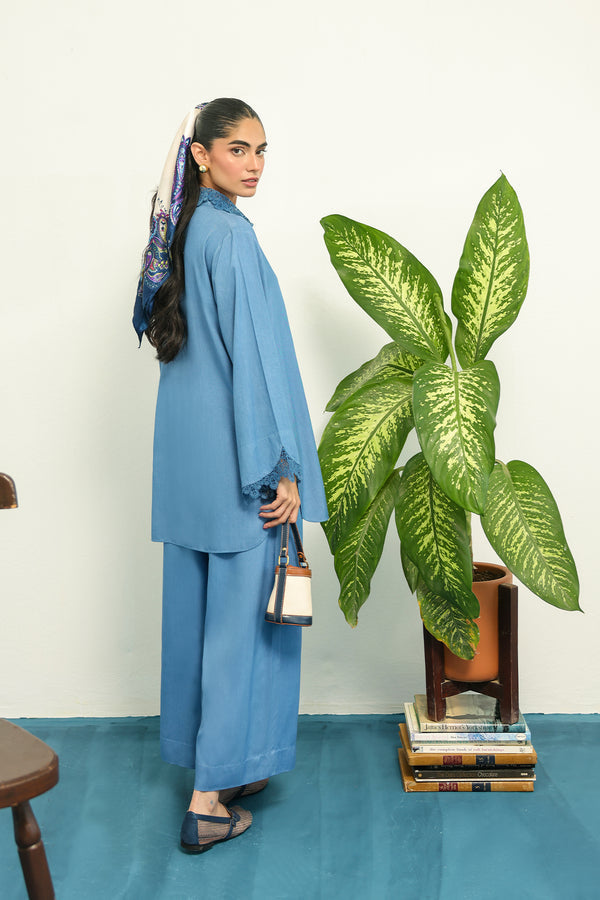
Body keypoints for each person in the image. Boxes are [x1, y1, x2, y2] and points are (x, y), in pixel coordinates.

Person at [133, 98, 328, 854]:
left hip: (185, 470)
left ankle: (223, 766)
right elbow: (255, 365)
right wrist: (278, 469)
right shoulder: (233, 239)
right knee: (241, 637)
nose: (253, 164)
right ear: (202, 154)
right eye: (238, 148)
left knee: (196, 627)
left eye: (262, 150)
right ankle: (209, 800)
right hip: (237, 469)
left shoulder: (180, 233)